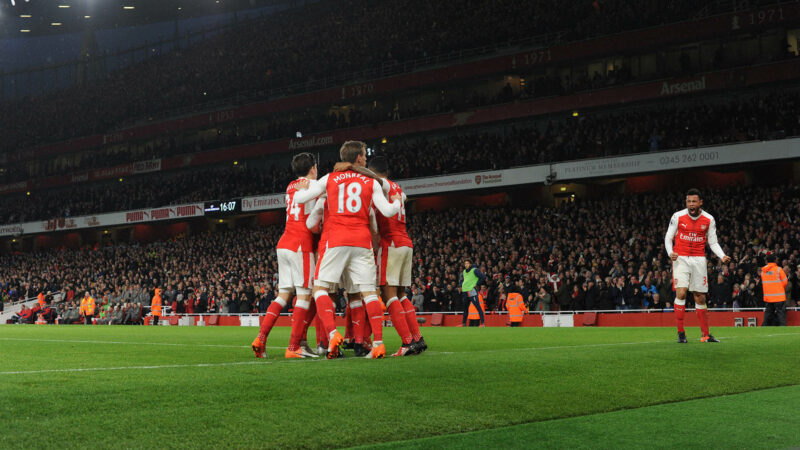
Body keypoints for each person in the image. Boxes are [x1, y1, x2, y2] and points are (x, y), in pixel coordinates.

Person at [293, 140, 402, 359]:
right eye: (364, 155)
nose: (365, 158)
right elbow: (389, 212)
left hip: (336, 240)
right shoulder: (371, 182)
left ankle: (333, 334)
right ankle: (378, 344)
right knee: (369, 292)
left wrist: (302, 188)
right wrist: (398, 201)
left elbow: (299, 198)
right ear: (360, 158)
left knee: (320, 289)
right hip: (361, 242)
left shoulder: (329, 178)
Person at [251, 152, 321, 359]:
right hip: (301, 243)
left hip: (284, 243)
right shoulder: (314, 187)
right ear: (313, 169)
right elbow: (314, 223)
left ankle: (261, 338)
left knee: (282, 296)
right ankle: (293, 347)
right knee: (304, 295)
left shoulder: (291, 187)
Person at [368, 156, 425, 356]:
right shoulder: (398, 188)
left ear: (373, 172)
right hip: (405, 243)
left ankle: (407, 342)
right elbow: (405, 199)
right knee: (401, 294)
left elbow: (377, 181)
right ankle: (417, 338)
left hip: (390, 243)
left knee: (388, 294)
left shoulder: (380, 184)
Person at [664, 188, 731, 343]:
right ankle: (681, 333)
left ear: (700, 202)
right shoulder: (678, 216)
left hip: (699, 260)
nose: (691, 204)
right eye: (688, 201)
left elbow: (712, 242)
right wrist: (670, 252)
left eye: (694, 201)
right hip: (680, 258)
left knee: (700, 297)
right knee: (681, 293)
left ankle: (705, 335)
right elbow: (668, 237)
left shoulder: (709, 219)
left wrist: (722, 255)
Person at [761, 254, 788, 326]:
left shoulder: (763, 271)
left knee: (768, 316)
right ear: (774, 260)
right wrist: (779, 288)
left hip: (768, 298)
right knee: (781, 315)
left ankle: (764, 330)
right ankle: (783, 330)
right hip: (779, 297)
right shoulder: (779, 269)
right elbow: (785, 282)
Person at [460, 259, 486, 327]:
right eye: (465, 264)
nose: (466, 265)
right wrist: (461, 285)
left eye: (467, 263)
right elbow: (464, 280)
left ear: (470, 264)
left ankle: (483, 323)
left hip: (472, 290)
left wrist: (477, 284)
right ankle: (464, 323)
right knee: (465, 308)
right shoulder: (464, 272)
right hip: (465, 291)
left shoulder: (475, 270)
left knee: (478, 307)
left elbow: (483, 277)